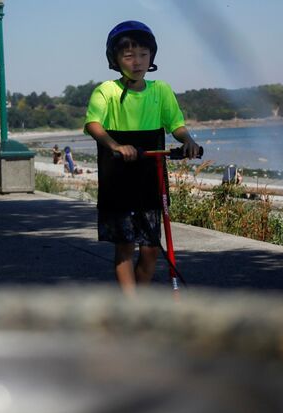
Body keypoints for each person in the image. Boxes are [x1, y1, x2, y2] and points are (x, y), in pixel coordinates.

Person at [84, 20, 201, 294]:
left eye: (143, 55)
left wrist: (188, 141)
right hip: (118, 178)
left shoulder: (161, 90)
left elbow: (176, 125)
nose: (137, 61)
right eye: (128, 55)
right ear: (115, 59)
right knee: (125, 247)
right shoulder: (106, 91)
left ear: (152, 56)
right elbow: (93, 124)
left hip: (150, 178)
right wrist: (115, 145)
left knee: (151, 249)